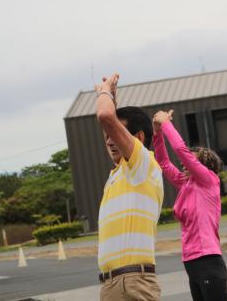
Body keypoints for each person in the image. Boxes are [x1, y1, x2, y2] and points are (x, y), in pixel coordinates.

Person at [95, 73, 164, 301]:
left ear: (140, 138)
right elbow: (109, 119)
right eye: (107, 136)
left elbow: (105, 115)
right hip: (110, 283)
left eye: (115, 134)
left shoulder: (143, 165)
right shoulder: (119, 173)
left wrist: (105, 92)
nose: (109, 140)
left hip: (132, 283)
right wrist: (113, 101)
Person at [152, 109, 227, 301]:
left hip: (208, 259)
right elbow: (163, 162)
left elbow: (181, 151)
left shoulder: (209, 180)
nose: (185, 164)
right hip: (191, 261)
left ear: (203, 165)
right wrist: (157, 132)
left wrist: (167, 124)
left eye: (191, 161)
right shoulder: (186, 183)